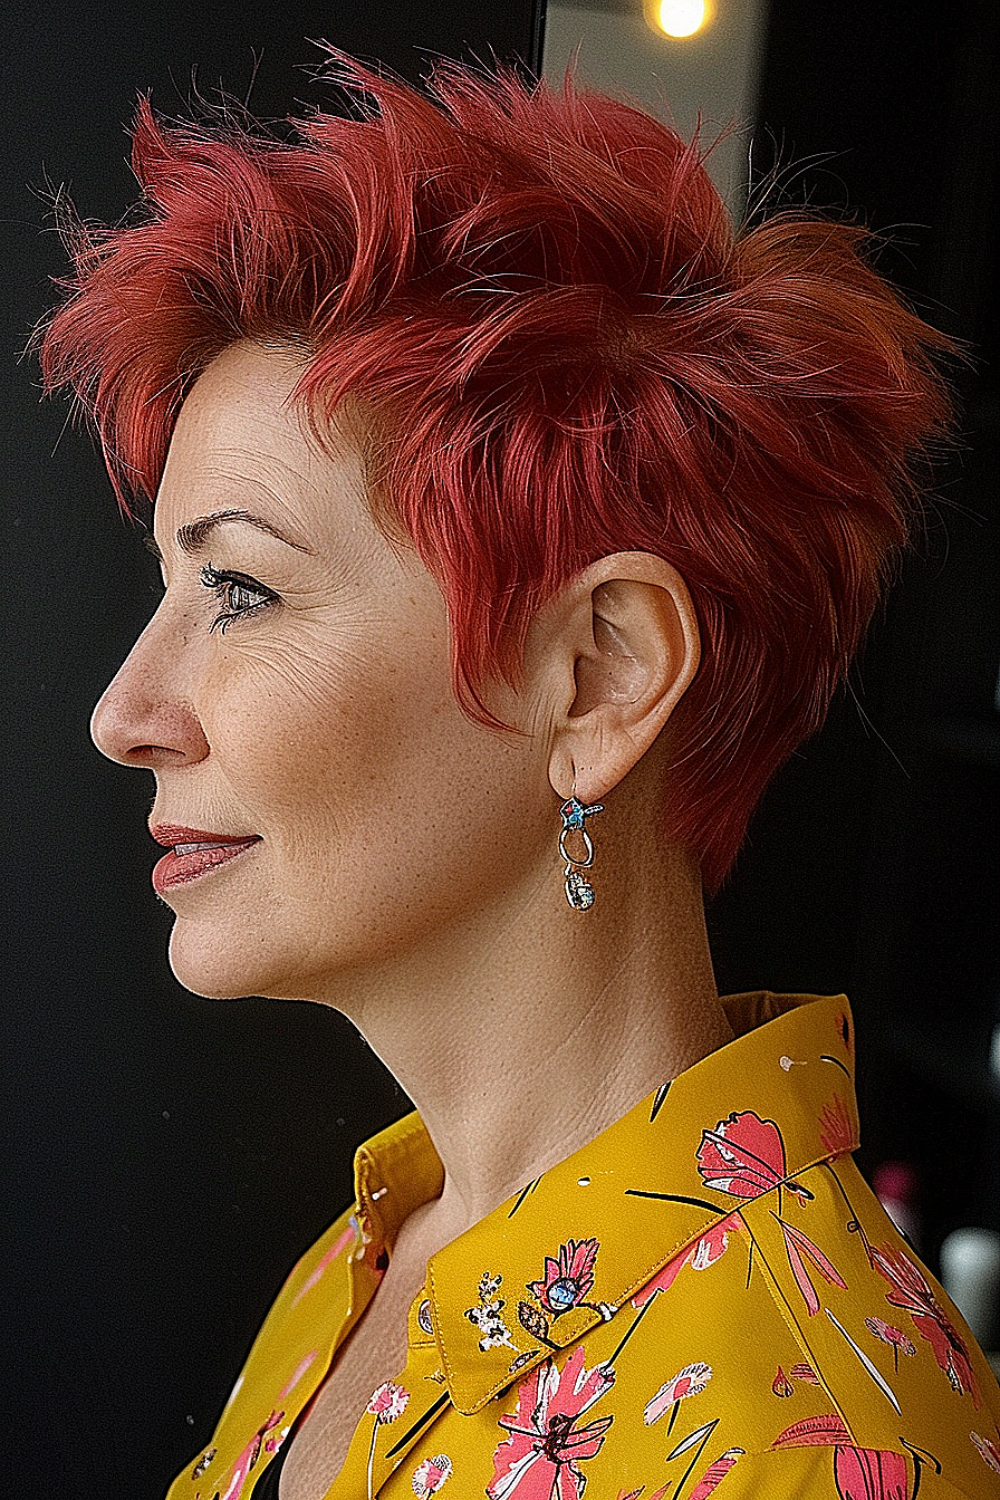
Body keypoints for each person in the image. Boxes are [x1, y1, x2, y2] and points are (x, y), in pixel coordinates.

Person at [38, 52, 1000, 1500]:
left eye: (239, 589)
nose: (125, 713)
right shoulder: (382, 1247)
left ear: (603, 674)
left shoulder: (808, 1448)